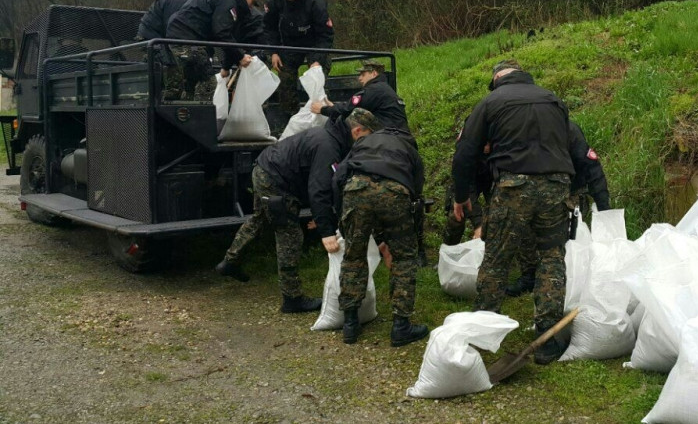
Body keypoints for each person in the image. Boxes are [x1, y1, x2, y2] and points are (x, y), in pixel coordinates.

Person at [451, 59, 575, 365]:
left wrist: (461, 195)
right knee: (551, 256)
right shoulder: (553, 100)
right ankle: (547, 335)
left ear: (497, 80)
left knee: (497, 257)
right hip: (556, 185)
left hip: (513, 185)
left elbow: (466, 151)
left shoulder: (491, 101)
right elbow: (571, 143)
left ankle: (483, 326)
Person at [215, 114, 355, 313]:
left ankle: (230, 261)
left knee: (259, 219)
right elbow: (319, 190)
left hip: (263, 168)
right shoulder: (328, 147)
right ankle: (292, 298)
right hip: (276, 181)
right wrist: (326, 230)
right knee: (289, 233)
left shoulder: (327, 135)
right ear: (355, 132)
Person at [335, 108, 428, 347]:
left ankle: (350, 324)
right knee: (404, 258)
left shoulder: (363, 142)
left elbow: (338, 177)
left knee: (353, 256)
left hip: (356, 189)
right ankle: (401, 326)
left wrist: (342, 216)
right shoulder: (407, 144)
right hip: (394, 190)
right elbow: (417, 186)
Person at [506, 120, 611, 297]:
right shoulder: (522, 129)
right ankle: (529, 275)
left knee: (563, 231)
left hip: (569, 192)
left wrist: (605, 209)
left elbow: (592, 168)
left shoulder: (568, 131)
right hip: (534, 189)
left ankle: (568, 275)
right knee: (522, 219)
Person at [164, 0, 259, 100]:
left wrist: (226, 66)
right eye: (252, 2)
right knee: (208, 83)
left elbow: (229, 37)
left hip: (184, 36)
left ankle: (188, 112)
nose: (251, 7)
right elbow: (222, 33)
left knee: (191, 83)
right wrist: (240, 56)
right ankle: (201, 116)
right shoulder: (228, 0)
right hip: (187, 38)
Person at [263, 0, 334, 117]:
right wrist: (274, 51)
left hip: (314, 43)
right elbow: (269, 27)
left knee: (318, 77)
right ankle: (290, 117)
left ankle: (322, 115)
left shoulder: (316, 1)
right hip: (289, 43)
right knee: (285, 77)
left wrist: (317, 60)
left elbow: (325, 35)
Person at [313, 59, 410, 132]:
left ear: (374, 73)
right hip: (399, 134)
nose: (359, 78)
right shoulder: (383, 88)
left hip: (387, 136)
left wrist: (322, 109)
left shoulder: (373, 90)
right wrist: (334, 107)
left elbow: (348, 109)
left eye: (363, 74)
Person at [137, 0, 217, 40]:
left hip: (160, 37)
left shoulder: (189, 1)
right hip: (152, 38)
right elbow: (172, 29)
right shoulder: (179, 1)